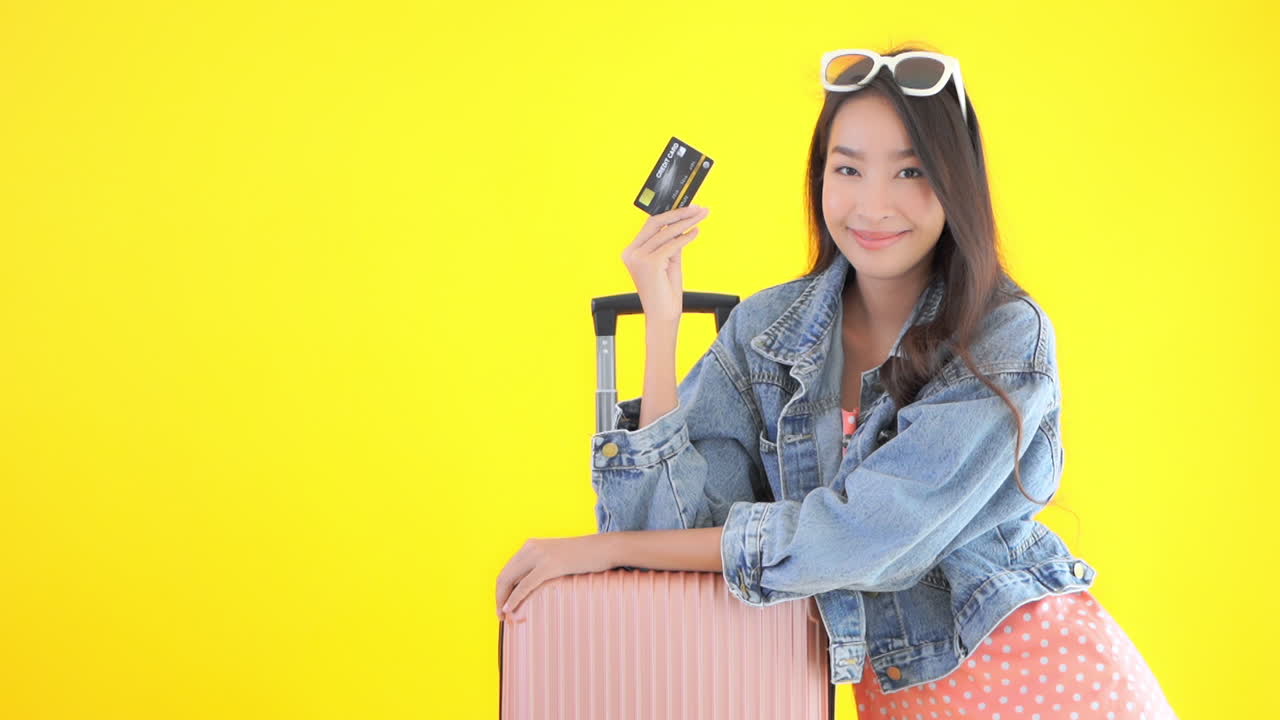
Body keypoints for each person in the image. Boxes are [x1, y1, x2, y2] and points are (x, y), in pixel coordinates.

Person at [495, 44, 1177, 719]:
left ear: (956, 184)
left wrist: (606, 548)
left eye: (910, 172)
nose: (873, 206)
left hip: (1058, 688)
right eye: (847, 168)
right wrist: (661, 324)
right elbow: (670, 538)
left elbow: (860, 536)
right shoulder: (766, 334)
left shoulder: (1000, 337)